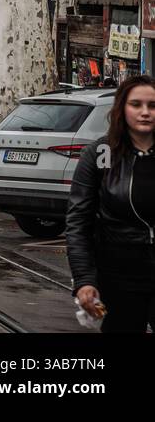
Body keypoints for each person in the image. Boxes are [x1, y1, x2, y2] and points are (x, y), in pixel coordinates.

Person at [68, 74, 155, 333]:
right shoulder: (98, 155)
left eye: (152, 106)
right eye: (136, 104)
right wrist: (84, 280)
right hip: (119, 272)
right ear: (121, 108)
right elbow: (78, 222)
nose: (145, 112)